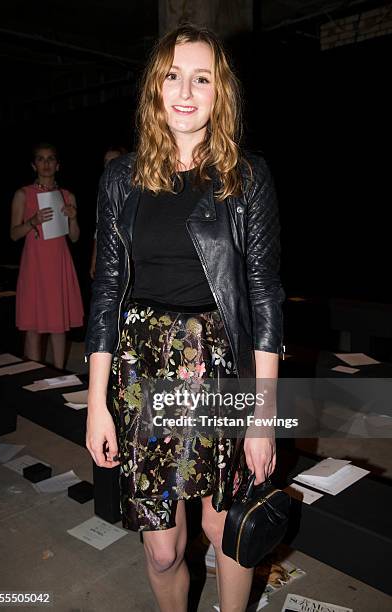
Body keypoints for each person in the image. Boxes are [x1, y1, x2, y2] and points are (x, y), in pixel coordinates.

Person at [85, 24, 284, 612]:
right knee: (164, 551)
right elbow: (105, 291)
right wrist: (97, 402)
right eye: (172, 75)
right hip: (142, 371)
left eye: (201, 77)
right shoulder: (120, 179)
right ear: (154, 88)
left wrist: (264, 415)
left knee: (226, 532)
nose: (185, 91)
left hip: (219, 365)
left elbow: (264, 295)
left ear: (220, 92)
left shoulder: (247, 177)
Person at [10, 142, 84, 369]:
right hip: (34, 264)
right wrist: (32, 222)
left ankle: (60, 376)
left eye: (50, 159)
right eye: (41, 159)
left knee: (58, 324)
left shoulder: (67, 195)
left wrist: (72, 218)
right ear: (34, 165)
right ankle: (32, 376)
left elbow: (74, 238)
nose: (46, 164)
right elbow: (14, 234)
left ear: (57, 165)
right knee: (33, 326)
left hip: (58, 264)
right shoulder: (23, 194)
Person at [89, 145, 128, 279]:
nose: (110, 165)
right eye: (106, 162)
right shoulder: (103, 192)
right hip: (109, 252)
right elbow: (100, 227)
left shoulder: (134, 190)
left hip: (129, 252)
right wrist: (95, 260)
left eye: (114, 161)